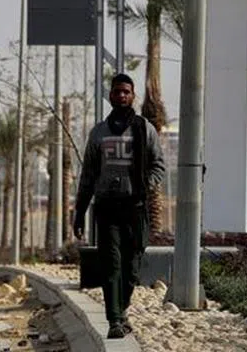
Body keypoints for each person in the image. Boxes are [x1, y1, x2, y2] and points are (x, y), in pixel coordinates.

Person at [73, 73, 166, 339]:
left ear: (133, 96)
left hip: (135, 207)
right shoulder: (98, 133)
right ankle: (114, 320)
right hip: (107, 208)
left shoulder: (144, 129)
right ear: (111, 96)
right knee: (111, 264)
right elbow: (88, 175)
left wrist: (146, 184)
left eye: (126, 92)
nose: (122, 96)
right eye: (117, 91)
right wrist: (80, 212)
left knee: (132, 268)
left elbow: (158, 165)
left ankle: (121, 309)